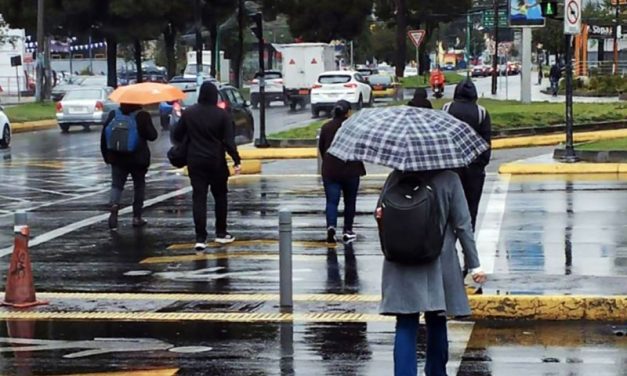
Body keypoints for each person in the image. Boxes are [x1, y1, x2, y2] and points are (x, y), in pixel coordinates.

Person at [379, 169, 487, 376]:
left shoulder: (396, 176)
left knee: (405, 321)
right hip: (438, 258)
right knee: (437, 318)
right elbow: (463, 225)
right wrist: (474, 264)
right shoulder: (449, 179)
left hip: (401, 259)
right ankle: (436, 372)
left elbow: (381, 214)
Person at [172, 81, 241, 250]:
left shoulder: (189, 113)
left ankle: (200, 238)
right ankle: (221, 232)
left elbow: (176, 134)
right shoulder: (222, 115)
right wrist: (236, 159)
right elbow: (229, 141)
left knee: (199, 198)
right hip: (216, 161)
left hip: (195, 161)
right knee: (220, 197)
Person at [442, 79, 491, 231]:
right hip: (474, 168)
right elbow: (486, 142)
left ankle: (450, 244)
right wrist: (480, 164)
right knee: (471, 208)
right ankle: (468, 244)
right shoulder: (481, 112)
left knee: (449, 210)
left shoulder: (447, 109)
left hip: (451, 166)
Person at [101, 103, 158, 230]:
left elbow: (104, 137)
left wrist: (107, 157)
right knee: (139, 186)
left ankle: (114, 209)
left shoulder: (114, 114)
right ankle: (137, 217)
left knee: (116, 185)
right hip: (138, 160)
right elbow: (153, 136)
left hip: (117, 158)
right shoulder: (142, 115)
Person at [318, 100, 366, 243]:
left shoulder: (326, 127)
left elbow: (322, 148)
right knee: (350, 201)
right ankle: (347, 230)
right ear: (348, 112)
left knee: (332, 202)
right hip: (351, 170)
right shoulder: (355, 128)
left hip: (331, 170)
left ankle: (331, 227)